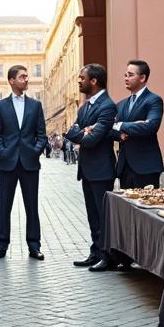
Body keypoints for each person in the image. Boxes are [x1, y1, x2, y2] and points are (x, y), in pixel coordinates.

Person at [0, 65, 47, 260]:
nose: (27, 79)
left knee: (32, 206)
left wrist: (36, 151)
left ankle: (34, 246)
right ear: (12, 81)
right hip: (7, 163)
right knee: (4, 205)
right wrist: (3, 152)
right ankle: (1, 245)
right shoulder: (1, 105)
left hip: (30, 163)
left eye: (27, 76)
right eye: (23, 77)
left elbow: (42, 134)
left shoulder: (35, 105)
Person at [66, 64, 118, 271]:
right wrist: (82, 132)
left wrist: (84, 133)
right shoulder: (85, 107)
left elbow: (93, 140)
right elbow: (71, 132)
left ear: (94, 81)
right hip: (87, 169)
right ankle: (95, 251)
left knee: (103, 215)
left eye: (82, 77)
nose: (79, 81)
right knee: (92, 215)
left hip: (102, 169)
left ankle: (107, 255)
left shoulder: (107, 106)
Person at [110, 59, 164, 189]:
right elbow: (108, 129)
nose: (126, 78)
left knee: (146, 207)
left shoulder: (154, 100)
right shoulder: (121, 104)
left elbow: (150, 127)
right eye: (125, 75)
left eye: (130, 75)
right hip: (124, 167)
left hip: (146, 167)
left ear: (142, 77)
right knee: (126, 207)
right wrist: (120, 135)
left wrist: (120, 125)